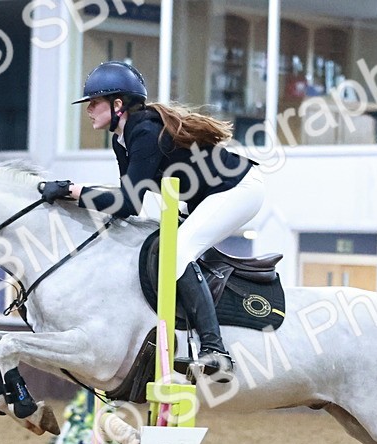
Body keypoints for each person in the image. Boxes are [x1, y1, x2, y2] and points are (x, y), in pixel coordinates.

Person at [38, 61, 265, 382]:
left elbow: (127, 203)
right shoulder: (122, 138)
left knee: (177, 252)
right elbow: (128, 203)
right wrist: (75, 194)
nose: (88, 110)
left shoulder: (144, 131)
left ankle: (216, 351)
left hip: (238, 190)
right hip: (205, 196)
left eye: (94, 102)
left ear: (118, 104)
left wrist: (74, 191)